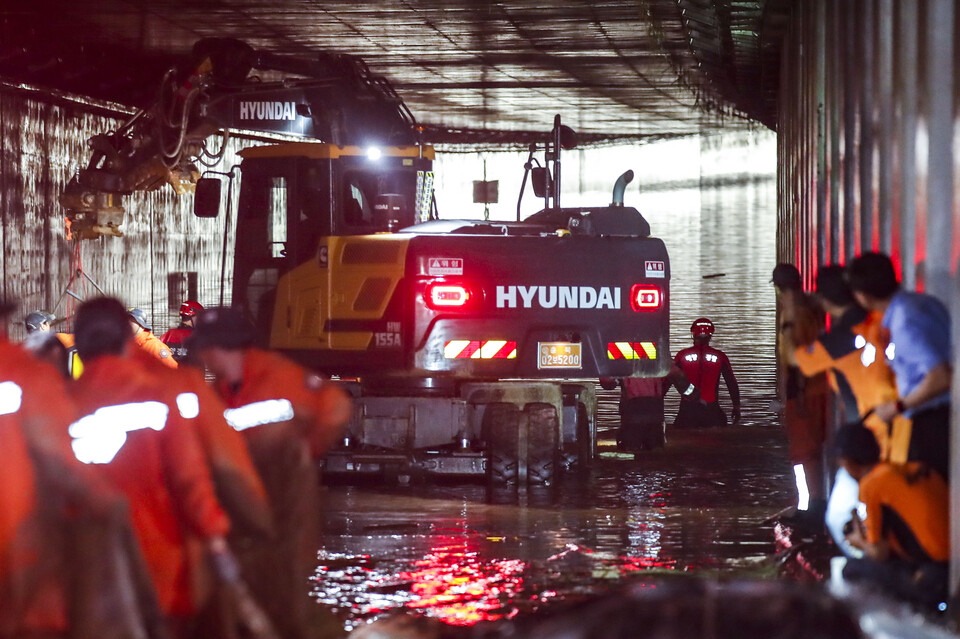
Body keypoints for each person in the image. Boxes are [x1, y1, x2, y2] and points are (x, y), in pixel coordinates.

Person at [71, 297, 235, 633]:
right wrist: (216, 537)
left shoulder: (58, 403)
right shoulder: (160, 396)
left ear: (81, 348)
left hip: (88, 575)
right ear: (125, 343)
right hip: (161, 568)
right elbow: (189, 477)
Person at [187, 306, 351, 639]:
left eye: (204, 348)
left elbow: (337, 407)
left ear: (218, 347)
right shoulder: (224, 389)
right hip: (254, 500)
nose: (201, 356)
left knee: (286, 591)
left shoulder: (278, 375)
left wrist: (307, 451)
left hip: (286, 504)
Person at [845, 252, 952, 478]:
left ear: (862, 296)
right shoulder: (923, 302)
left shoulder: (904, 321)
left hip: (934, 420)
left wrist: (898, 407)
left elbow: (941, 376)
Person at [835, 421, 949, 610]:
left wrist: (859, 542)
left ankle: (911, 617)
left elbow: (879, 553)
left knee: (851, 570)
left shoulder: (871, 485)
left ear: (847, 463)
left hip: (934, 577)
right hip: (951, 564)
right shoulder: (912, 468)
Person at [771, 263, 829, 520]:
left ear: (777, 288)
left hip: (804, 391)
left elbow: (795, 359)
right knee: (813, 450)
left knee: (802, 453)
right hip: (818, 387)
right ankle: (815, 502)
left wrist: (796, 395)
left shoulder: (792, 315)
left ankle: (808, 507)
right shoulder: (811, 308)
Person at [600, 365, 696, 451]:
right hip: (655, 414)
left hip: (632, 415)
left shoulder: (624, 360)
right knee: (655, 452)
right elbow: (679, 378)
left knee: (631, 451)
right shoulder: (660, 359)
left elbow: (607, 383)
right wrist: (694, 395)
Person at [670, 318, 740, 428]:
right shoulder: (720, 356)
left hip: (687, 412)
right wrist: (736, 406)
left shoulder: (682, 355)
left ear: (693, 334)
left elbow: (668, 380)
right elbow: (731, 383)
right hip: (711, 411)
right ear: (710, 336)